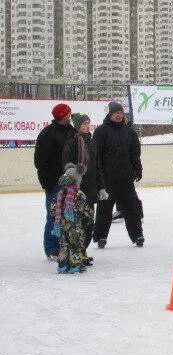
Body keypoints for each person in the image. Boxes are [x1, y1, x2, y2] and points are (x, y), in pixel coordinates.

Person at [93, 101, 145, 248]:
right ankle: (100, 237)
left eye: (121, 114)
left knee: (132, 207)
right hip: (107, 178)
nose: (119, 116)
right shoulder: (101, 131)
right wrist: (98, 177)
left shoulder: (129, 132)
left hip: (125, 177)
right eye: (116, 113)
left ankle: (137, 235)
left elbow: (135, 154)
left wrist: (137, 169)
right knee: (105, 208)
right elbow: (96, 156)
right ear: (110, 114)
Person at [62, 113, 108, 265]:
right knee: (78, 225)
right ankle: (77, 253)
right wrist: (75, 173)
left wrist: (101, 187)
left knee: (89, 224)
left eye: (88, 123)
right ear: (77, 126)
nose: (87, 126)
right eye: (84, 124)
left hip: (91, 189)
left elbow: (98, 167)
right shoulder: (72, 142)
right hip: (78, 191)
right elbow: (67, 164)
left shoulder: (91, 142)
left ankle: (82, 250)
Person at [34, 103, 76, 259]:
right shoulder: (47, 134)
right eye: (68, 113)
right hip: (54, 182)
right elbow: (40, 160)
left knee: (70, 215)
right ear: (62, 115)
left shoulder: (73, 131)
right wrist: (46, 182)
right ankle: (51, 248)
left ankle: (68, 245)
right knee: (54, 216)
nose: (70, 115)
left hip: (71, 181)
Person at [51, 164, 94, 274]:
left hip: (61, 226)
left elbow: (53, 208)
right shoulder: (77, 194)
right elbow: (85, 208)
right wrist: (90, 217)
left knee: (64, 245)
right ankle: (75, 265)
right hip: (75, 226)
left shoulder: (59, 194)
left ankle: (62, 265)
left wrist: (55, 218)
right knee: (75, 245)